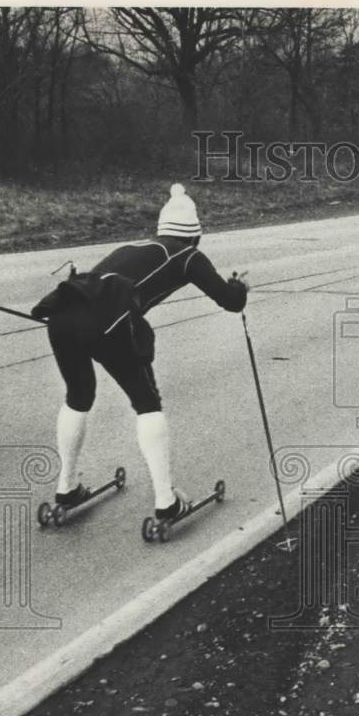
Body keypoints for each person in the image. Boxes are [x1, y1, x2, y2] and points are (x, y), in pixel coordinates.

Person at [32, 184, 248, 521]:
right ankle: (166, 501)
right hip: (110, 320)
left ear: (160, 229)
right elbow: (231, 301)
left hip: (63, 312)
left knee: (78, 396)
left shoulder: (132, 246)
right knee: (147, 403)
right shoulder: (188, 255)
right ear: (195, 235)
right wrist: (239, 287)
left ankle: (67, 487)